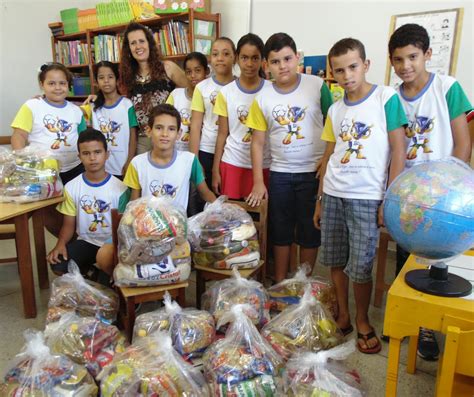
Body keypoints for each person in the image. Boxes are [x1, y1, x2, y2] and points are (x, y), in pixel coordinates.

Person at [313, 38, 407, 354]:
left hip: (367, 196)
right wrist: (319, 199)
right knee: (336, 259)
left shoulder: (386, 97)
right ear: (333, 73)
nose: (346, 75)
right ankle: (343, 313)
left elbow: (398, 149)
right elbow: (328, 155)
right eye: (339, 70)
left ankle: (363, 319)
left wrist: (389, 199)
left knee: (362, 263)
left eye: (353, 67)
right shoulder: (336, 109)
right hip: (334, 192)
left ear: (366, 65)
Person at [388, 23, 472, 361]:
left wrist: (452, 186)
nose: (406, 66)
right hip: (407, 191)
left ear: (427, 55)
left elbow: (463, 141)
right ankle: (406, 320)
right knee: (405, 253)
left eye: (413, 57)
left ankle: (431, 326)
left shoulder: (448, 88)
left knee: (440, 257)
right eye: (398, 59)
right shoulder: (391, 97)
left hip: (444, 191)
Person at [246, 32, 333, 282]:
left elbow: (334, 124)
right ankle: (281, 282)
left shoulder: (317, 86)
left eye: (287, 59)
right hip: (280, 174)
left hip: (313, 173)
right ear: (267, 66)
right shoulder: (262, 98)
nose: (282, 66)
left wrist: (327, 159)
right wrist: (258, 181)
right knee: (281, 231)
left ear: (297, 58)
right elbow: (257, 142)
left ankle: (302, 283)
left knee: (309, 231)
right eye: (275, 61)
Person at [46, 128, 130, 278]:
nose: (92, 158)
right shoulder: (71, 187)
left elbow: (124, 227)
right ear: (80, 157)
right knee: (58, 263)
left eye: (97, 152)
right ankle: (92, 272)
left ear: (107, 154)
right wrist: (60, 244)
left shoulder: (121, 188)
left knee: (113, 284)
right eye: (86, 153)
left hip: (111, 245)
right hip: (87, 242)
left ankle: (100, 274)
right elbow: (68, 225)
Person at [123, 104, 216, 211]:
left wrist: (222, 209)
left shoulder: (189, 161)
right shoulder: (137, 163)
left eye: (171, 129)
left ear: (178, 134)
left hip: (178, 227)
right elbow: (134, 205)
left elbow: (205, 193)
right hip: (147, 226)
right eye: (159, 128)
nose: (165, 134)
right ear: (149, 131)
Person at [212, 33, 271, 199]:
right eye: (244, 58)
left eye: (255, 58)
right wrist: (216, 169)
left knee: (263, 220)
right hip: (233, 163)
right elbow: (222, 133)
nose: (250, 64)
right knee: (232, 220)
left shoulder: (271, 90)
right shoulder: (226, 93)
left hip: (265, 165)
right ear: (237, 58)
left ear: (262, 60)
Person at [11, 62, 87, 184]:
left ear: (68, 85)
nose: (57, 88)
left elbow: (84, 140)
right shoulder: (32, 106)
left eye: (62, 83)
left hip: (75, 170)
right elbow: (19, 135)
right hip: (41, 171)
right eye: (51, 83)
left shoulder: (76, 111)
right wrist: (22, 163)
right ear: (42, 85)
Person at [120, 22, 188, 154]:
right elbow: (118, 99)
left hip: (167, 136)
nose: (138, 46)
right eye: (133, 43)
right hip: (142, 140)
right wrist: (97, 97)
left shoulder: (168, 67)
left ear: (149, 43)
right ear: (128, 49)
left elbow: (192, 92)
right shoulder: (127, 76)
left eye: (141, 41)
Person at [189, 37, 236, 207]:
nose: (220, 58)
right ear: (210, 58)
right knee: (206, 204)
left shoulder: (240, 85)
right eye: (215, 54)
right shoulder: (202, 88)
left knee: (229, 202)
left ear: (235, 58)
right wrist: (195, 161)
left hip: (232, 151)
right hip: (206, 150)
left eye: (226, 54)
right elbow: (195, 126)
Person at [82, 61, 138, 179]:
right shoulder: (93, 107)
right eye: (101, 77)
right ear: (96, 82)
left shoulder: (127, 105)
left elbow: (133, 136)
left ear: (117, 80)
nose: (106, 81)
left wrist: (130, 161)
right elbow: (72, 113)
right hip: (101, 167)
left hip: (123, 164)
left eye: (110, 77)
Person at [166, 52, 210, 152]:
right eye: (188, 72)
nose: (193, 75)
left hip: (201, 151)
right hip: (175, 151)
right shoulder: (176, 94)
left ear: (206, 71)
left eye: (197, 70)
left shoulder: (209, 98)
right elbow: (165, 118)